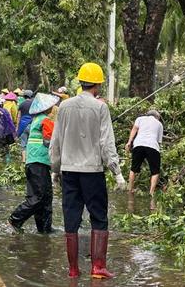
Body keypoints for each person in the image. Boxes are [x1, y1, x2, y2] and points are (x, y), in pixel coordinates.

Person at [50, 62, 126, 279]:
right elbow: (106, 143)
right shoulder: (100, 107)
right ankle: (98, 267)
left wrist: (55, 168)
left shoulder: (64, 107)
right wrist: (116, 172)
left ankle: (73, 269)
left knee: (70, 218)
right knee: (99, 217)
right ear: (98, 85)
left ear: (81, 82)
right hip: (92, 172)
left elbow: (56, 140)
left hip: (69, 172)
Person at [9, 92, 58, 233]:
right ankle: (15, 219)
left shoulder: (35, 119)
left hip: (34, 162)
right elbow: (50, 141)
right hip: (39, 162)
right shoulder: (45, 121)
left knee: (46, 197)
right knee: (39, 196)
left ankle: (45, 228)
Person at [125, 109, 164, 195]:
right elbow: (159, 141)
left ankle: (130, 189)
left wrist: (129, 142)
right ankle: (151, 192)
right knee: (155, 171)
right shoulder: (159, 124)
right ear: (157, 117)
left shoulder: (140, 119)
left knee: (133, 169)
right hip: (153, 146)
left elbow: (134, 130)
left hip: (138, 144)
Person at [16, 90, 34, 163]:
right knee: (31, 142)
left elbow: (19, 116)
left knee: (23, 143)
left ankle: (24, 160)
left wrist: (17, 127)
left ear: (24, 96)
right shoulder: (34, 104)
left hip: (23, 126)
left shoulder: (21, 104)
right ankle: (30, 158)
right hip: (32, 125)